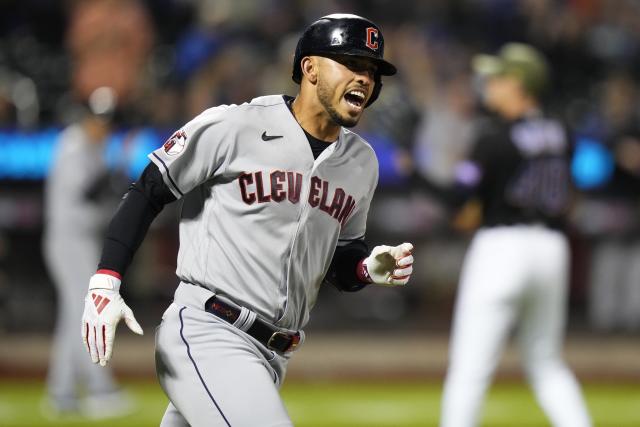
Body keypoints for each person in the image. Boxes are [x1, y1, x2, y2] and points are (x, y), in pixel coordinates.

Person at [80, 14, 415, 427]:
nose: (365, 78)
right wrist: (105, 280)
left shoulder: (361, 163)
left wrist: (366, 268)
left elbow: (342, 258)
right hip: (208, 331)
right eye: (351, 63)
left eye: (371, 70)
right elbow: (149, 189)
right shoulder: (235, 125)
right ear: (309, 68)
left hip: (273, 355)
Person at [408, 43, 591, 426]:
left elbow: (457, 202)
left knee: (469, 368)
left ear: (520, 83)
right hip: (552, 247)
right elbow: (571, 196)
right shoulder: (563, 134)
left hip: (502, 247)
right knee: (547, 364)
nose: (488, 85)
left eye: (497, 78)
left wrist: (412, 171)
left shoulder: (493, 138)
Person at [42, 87, 132, 418]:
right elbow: (81, 203)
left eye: (107, 120)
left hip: (82, 241)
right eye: (99, 118)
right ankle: (99, 388)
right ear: (87, 116)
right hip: (67, 241)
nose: (103, 126)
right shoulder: (73, 146)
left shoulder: (93, 148)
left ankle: (61, 392)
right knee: (87, 314)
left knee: (72, 317)